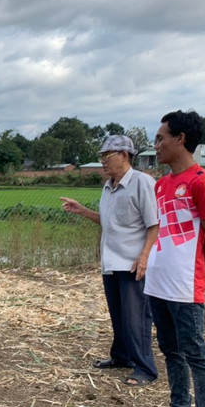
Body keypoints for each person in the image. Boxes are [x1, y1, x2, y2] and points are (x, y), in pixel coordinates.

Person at [138, 110, 205, 407]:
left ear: (181, 139)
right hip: (159, 281)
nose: (156, 144)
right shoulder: (162, 184)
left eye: (161, 138)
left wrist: (197, 268)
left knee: (196, 352)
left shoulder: (202, 181)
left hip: (185, 284)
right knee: (170, 348)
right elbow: (161, 230)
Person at [61, 135, 159, 386]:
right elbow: (109, 221)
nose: (103, 162)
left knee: (137, 316)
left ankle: (145, 368)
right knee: (119, 314)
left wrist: (144, 256)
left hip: (132, 262)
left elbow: (154, 224)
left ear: (124, 156)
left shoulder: (142, 183)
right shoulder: (109, 187)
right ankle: (122, 357)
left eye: (107, 156)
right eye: (101, 157)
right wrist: (82, 210)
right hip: (111, 261)